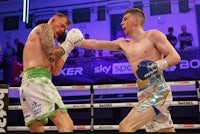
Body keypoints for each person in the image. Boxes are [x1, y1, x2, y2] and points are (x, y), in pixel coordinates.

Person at [79, 8, 181, 132]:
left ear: (136, 21)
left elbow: (175, 57)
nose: (122, 23)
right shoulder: (123, 44)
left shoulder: (152, 35)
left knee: (125, 127)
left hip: (158, 92)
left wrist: (155, 67)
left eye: (125, 19)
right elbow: (96, 43)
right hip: (143, 92)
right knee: (163, 131)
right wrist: (74, 41)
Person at [19, 12, 84, 132]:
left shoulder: (49, 43)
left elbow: (55, 71)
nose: (63, 30)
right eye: (61, 25)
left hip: (27, 85)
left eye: (65, 28)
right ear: (53, 20)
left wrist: (66, 48)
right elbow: (52, 55)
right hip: (38, 81)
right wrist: (68, 43)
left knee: (37, 129)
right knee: (66, 124)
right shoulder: (44, 28)